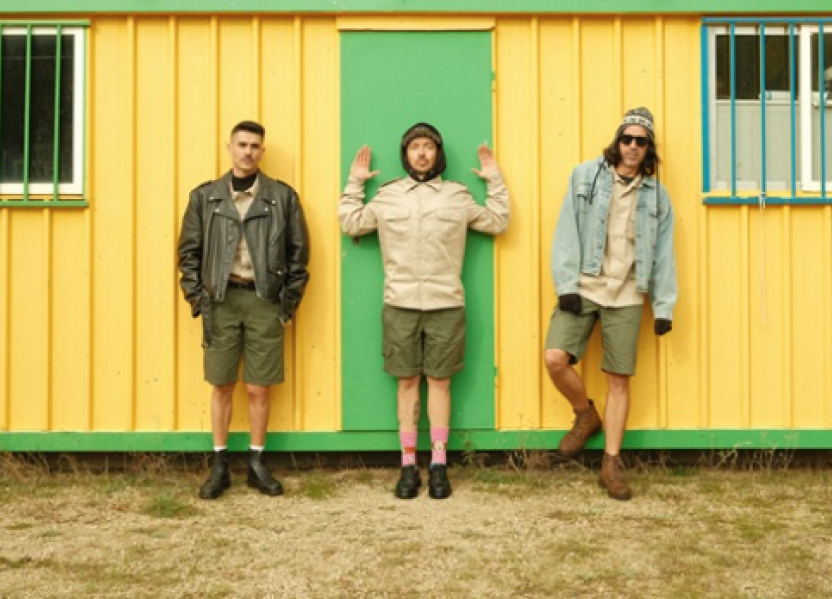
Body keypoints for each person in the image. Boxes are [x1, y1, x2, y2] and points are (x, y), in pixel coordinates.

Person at [339, 123, 509, 500]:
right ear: (405, 154)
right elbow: (351, 222)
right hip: (399, 304)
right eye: (414, 147)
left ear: (438, 153)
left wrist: (494, 179)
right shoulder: (388, 196)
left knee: (440, 382)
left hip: (446, 303)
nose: (421, 153)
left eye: (428, 147)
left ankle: (438, 465)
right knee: (406, 382)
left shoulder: (456, 196)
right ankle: (407, 465)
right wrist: (355, 183)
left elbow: (498, 221)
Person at [546, 107, 677, 501]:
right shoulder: (585, 176)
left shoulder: (657, 196)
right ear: (617, 142)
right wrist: (566, 284)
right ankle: (585, 415)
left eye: (641, 141)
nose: (633, 146)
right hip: (584, 285)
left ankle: (611, 463)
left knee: (619, 379)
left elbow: (664, 254)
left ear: (648, 148)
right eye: (627, 139)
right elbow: (566, 229)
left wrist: (664, 306)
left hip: (627, 292)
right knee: (555, 358)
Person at [177, 121, 310, 500]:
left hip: (265, 301)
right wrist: (199, 299)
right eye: (242, 145)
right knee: (221, 384)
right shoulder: (205, 198)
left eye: (254, 146)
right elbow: (188, 254)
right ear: (230, 148)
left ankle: (256, 463)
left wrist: (286, 304)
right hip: (220, 302)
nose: (248, 152)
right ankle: (219, 465)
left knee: (258, 387)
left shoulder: (282, 198)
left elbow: (299, 256)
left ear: (262, 151)